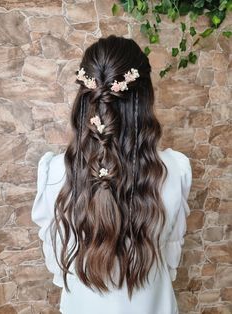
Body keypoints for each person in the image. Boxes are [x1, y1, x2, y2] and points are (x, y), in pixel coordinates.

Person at [31, 35, 192, 314]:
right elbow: (168, 257)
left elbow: (58, 267)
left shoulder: (55, 171)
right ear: (144, 99)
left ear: (84, 96)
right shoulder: (175, 170)